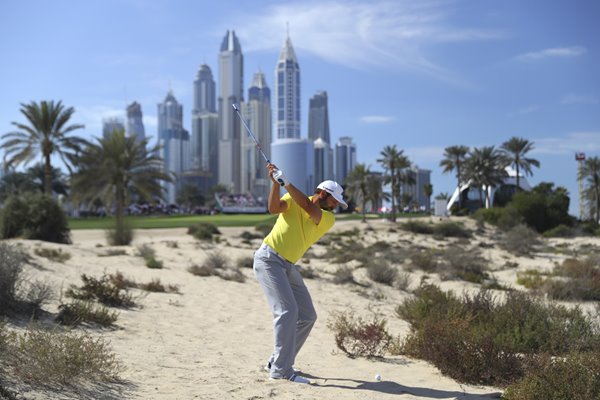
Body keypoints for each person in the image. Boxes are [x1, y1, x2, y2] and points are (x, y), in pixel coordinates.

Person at [253, 162, 348, 384]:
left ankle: (278, 360)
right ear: (324, 193)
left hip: (288, 266)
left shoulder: (326, 217)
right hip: (269, 260)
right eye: (334, 200)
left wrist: (285, 182)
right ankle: (280, 370)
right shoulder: (294, 199)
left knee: (307, 316)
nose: (336, 205)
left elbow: (306, 205)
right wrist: (276, 185)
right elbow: (274, 208)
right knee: (287, 311)